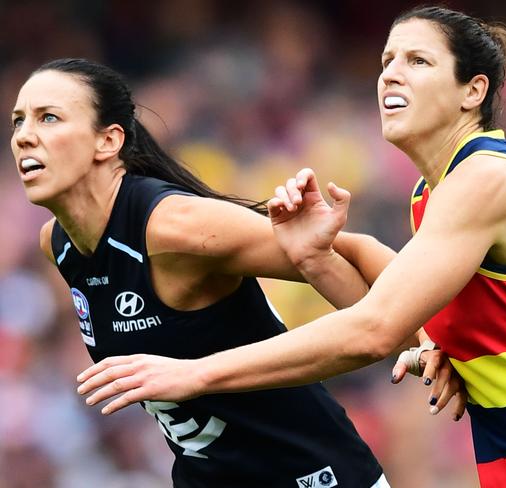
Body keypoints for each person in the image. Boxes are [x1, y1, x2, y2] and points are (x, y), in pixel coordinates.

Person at [75, 5, 506, 488]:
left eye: (417, 61)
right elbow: (401, 327)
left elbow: (373, 330)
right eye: (386, 61)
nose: (390, 75)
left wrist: (193, 374)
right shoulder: (436, 191)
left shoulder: (486, 179)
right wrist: (317, 255)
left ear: (473, 91)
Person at [9, 57, 425, 487]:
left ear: (108, 140)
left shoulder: (174, 227)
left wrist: (431, 340)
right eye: (18, 122)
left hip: (312, 473)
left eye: (49, 118)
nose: (24, 137)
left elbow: (357, 249)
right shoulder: (57, 243)